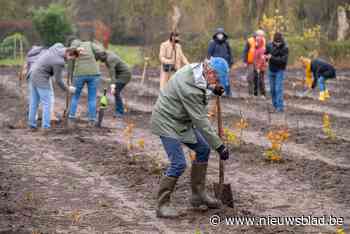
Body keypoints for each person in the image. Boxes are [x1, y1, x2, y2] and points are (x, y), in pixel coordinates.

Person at [151, 57, 230, 218]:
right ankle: (162, 205)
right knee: (178, 164)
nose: (218, 81)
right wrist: (219, 146)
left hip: (181, 120)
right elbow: (200, 119)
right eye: (218, 78)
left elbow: (202, 86)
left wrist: (211, 88)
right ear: (210, 71)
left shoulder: (197, 70)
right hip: (167, 121)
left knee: (202, 149)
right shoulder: (189, 86)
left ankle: (197, 195)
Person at [28, 43, 78, 129]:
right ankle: (46, 127)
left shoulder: (57, 47)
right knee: (47, 103)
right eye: (71, 58)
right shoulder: (59, 62)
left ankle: (32, 124)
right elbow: (58, 80)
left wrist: (76, 50)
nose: (70, 60)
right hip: (41, 78)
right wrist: (68, 89)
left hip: (32, 73)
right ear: (68, 54)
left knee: (34, 102)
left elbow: (59, 44)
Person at [68, 39, 105, 125]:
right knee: (92, 98)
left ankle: (71, 118)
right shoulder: (90, 44)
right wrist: (95, 58)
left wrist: (70, 79)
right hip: (94, 74)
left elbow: (70, 65)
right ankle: (92, 120)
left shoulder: (73, 49)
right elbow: (101, 52)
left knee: (75, 97)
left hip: (79, 75)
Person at [96, 51, 132, 117]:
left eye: (100, 60)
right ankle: (118, 110)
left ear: (103, 57)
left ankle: (120, 112)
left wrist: (113, 86)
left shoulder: (110, 60)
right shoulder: (107, 55)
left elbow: (112, 74)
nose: (101, 61)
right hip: (120, 74)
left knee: (116, 92)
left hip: (124, 75)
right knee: (116, 92)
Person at [265, 32, 289, 113]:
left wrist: (271, 58)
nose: (278, 44)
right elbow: (265, 54)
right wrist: (265, 58)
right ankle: (275, 105)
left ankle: (280, 108)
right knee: (272, 90)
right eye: (276, 42)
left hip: (280, 70)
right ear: (273, 41)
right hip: (271, 70)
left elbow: (283, 61)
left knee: (278, 89)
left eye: (279, 42)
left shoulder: (285, 48)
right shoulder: (269, 45)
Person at [208, 28, 233, 96]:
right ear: (216, 35)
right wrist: (209, 63)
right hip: (215, 64)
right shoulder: (212, 43)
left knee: (225, 78)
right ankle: (217, 92)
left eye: (221, 34)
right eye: (218, 34)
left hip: (225, 64)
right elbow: (209, 54)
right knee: (215, 78)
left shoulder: (226, 43)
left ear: (223, 35)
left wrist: (231, 62)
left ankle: (228, 93)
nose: (220, 36)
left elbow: (230, 53)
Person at [242, 30, 266, 96]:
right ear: (255, 35)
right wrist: (244, 61)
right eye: (258, 35)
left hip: (260, 63)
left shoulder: (264, 42)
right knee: (250, 77)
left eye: (261, 36)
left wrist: (266, 61)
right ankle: (251, 93)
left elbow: (266, 52)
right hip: (251, 62)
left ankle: (262, 93)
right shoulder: (250, 41)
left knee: (260, 79)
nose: (259, 37)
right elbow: (245, 51)